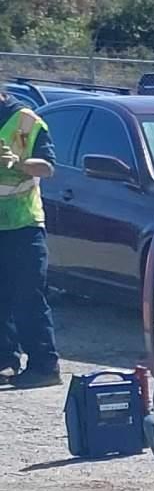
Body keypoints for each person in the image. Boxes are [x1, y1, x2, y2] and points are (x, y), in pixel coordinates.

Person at [0, 94, 61, 388]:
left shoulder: (24, 121)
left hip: (23, 224)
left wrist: (18, 162)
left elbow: (48, 168)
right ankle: (5, 362)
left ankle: (44, 366)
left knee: (28, 297)